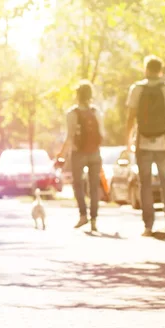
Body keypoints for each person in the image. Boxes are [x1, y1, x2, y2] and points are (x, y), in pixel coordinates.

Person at [124, 55, 165, 236]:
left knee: (145, 184)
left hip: (142, 143)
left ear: (146, 70)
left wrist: (128, 142)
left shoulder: (137, 89)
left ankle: (148, 226)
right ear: (161, 71)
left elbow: (130, 118)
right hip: (162, 144)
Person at [57, 80, 106, 231]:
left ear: (77, 95)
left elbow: (70, 136)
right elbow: (102, 133)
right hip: (95, 153)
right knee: (93, 187)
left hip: (79, 153)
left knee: (78, 185)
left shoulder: (72, 113)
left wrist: (62, 154)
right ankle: (94, 220)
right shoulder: (96, 111)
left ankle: (83, 215)